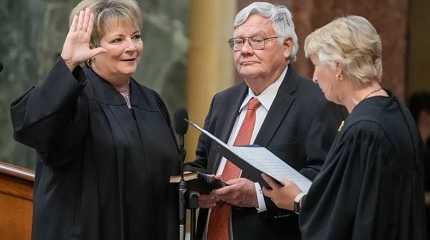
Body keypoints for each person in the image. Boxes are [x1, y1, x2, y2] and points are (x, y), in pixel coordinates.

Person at [10, 1, 179, 239]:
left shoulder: (151, 102)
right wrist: (67, 64)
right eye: (117, 40)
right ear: (91, 49)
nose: (131, 47)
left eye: (136, 36)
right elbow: (32, 126)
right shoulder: (73, 97)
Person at [186, 2, 345, 240]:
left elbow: (324, 177)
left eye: (257, 40)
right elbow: (203, 163)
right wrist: (196, 186)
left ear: (286, 46)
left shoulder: (317, 102)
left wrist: (259, 196)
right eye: (238, 42)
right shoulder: (223, 101)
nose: (245, 50)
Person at [262, 16, 427, 240]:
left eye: (317, 65)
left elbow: (343, 217)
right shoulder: (395, 110)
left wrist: (298, 201)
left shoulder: (362, 130)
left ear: (338, 67)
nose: (314, 77)